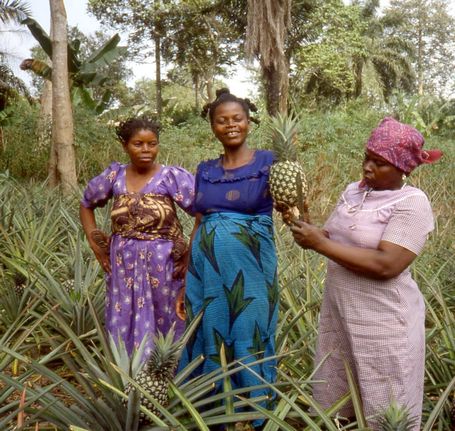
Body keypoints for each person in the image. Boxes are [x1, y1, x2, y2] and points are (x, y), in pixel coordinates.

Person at [290, 117, 442, 430]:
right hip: (341, 315)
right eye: (367, 159)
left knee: (387, 409)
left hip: (385, 322)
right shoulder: (354, 192)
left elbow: (387, 264)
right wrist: (307, 228)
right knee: (340, 401)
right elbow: (333, 237)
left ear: (403, 169)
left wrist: (320, 245)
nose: (368, 168)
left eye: (380, 163)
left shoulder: (412, 203)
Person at [178, 88, 278, 430]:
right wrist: (184, 278)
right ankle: (213, 414)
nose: (230, 125)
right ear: (212, 126)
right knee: (211, 331)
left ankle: (255, 416)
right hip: (206, 270)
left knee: (249, 331)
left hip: (250, 269)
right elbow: (199, 221)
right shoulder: (205, 169)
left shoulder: (268, 161)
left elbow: (293, 209)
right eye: (222, 120)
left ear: (249, 121)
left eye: (237, 119)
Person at [80, 117, 195, 358]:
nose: (146, 150)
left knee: (165, 318)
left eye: (152, 144)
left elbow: (202, 212)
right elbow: (87, 203)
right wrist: (95, 244)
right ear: (125, 145)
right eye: (138, 144)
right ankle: (127, 381)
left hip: (163, 263)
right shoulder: (115, 177)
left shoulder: (171, 177)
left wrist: (189, 255)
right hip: (123, 264)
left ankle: (165, 381)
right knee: (124, 317)